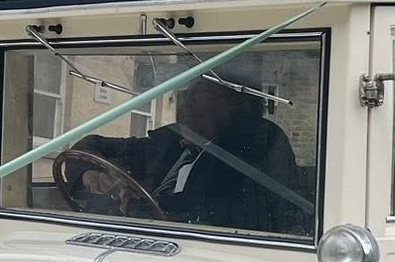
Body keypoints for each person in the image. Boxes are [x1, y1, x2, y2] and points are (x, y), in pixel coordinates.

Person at [70, 62, 304, 234]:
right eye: (186, 92)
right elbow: (90, 146)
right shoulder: (170, 142)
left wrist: (135, 204)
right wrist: (88, 173)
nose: (185, 101)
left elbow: (214, 212)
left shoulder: (258, 143)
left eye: (198, 91)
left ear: (235, 100)